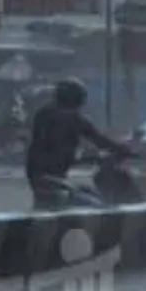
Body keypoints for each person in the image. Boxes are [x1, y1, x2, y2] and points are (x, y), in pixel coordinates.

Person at [25, 78, 130, 207]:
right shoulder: (63, 118)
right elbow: (98, 140)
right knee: (96, 206)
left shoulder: (50, 115)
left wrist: (116, 150)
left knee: (93, 197)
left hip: (50, 179)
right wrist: (120, 150)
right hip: (48, 180)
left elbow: (97, 140)